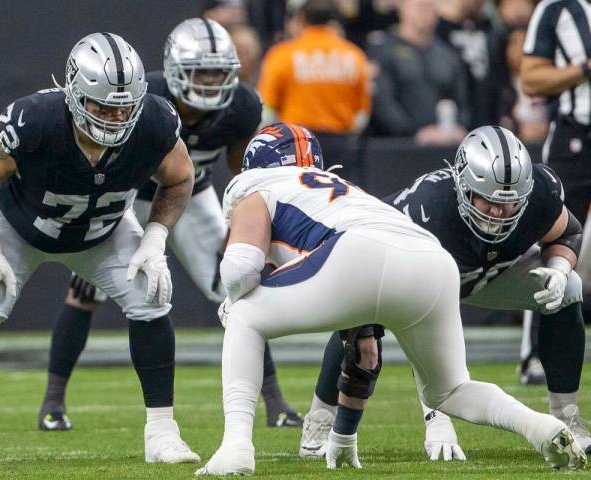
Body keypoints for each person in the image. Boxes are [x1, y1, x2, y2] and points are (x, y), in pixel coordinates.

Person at [194, 122, 586, 475]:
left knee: (244, 316)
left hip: (360, 255)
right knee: (450, 390)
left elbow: (240, 270)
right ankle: (540, 427)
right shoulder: (346, 193)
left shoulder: (258, 186)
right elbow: (363, 342)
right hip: (434, 262)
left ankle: (235, 448)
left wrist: (233, 300)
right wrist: (344, 435)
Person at [0, 32, 200, 467]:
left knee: (151, 295)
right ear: (73, 93)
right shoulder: (35, 119)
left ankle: (162, 432)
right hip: (18, 225)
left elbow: (181, 176)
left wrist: (155, 236)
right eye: (103, 105)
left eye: (124, 106)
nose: (115, 116)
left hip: (101, 231)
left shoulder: (154, 122)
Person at [38, 18, 302, 434]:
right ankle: (53, 402)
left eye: (218, 71)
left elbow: (240, 171)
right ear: (176, 69)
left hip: (193, 195)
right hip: (127, 197)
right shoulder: (148, 95)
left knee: (237, 286)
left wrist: (240, 224)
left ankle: (275, 402)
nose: (211, 81)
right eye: (201, 71)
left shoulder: (242, 106)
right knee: (85, 290)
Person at [299, 126, 590, 462]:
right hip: (391, 266)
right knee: (361, 324)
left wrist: (559, 269)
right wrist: (436, 417)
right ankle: (320, 418)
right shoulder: (430, 212)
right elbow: (415, 319)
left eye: (508, 204)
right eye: (489, 200)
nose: (497, 212)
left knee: (569, 288)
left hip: (484, 273)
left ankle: (566, 417)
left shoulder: (540, 193)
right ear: (463, 186)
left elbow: (567, 232)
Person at [521, 0, 591, 340]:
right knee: (553, 238)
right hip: (576, 136)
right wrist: (583, 69)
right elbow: (530, 78)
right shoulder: (558, 7)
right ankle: (535, 349)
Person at [257, 0, 370, 181]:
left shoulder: (282, 55)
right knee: (340, 201)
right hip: (340, 144)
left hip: (295, 144)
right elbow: (362, 113)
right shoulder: (354, 55)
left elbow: (267, 108)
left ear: (301, 19)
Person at [367, 0, 470, 144]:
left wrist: (459, 126)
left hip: (445, 145)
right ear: (402, 7)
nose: (427, 11)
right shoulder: (383, 50)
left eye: (431, 6)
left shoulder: (448, 53)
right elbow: (383, 103)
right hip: (396, 147)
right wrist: (415, 133)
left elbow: (462, 99)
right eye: (421, 6)